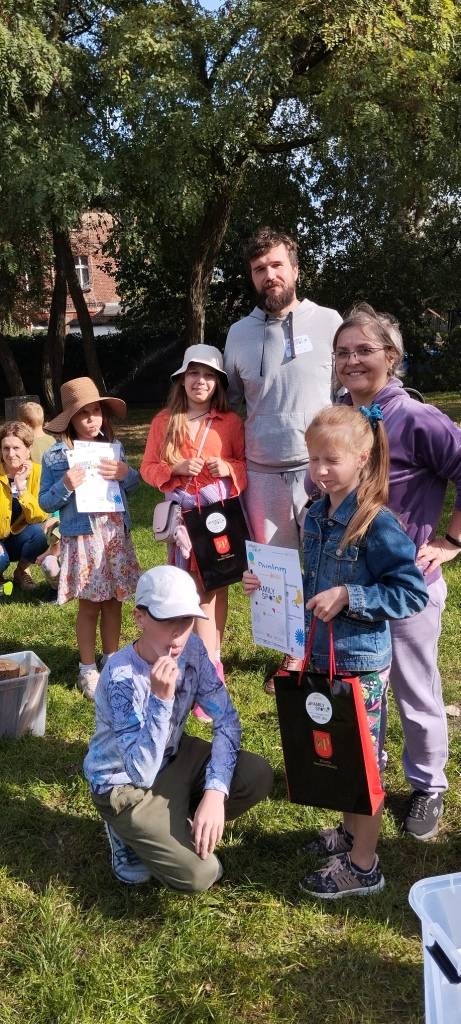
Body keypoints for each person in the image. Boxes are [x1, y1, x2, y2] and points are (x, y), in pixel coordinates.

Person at [244, 405, 428, 898]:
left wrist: (353, 596)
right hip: (322, 659)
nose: (319, 471)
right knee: (339, 755)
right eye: (313, 460)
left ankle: (364, 866)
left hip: (359, 665)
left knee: (363, 764)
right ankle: (348, 837)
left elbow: (411, 593)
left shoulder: (376, 523)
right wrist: (269, 586)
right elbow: (311, 583)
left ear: (363, 458)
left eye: (331, 461)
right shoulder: (317, 514)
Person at [332, 304, 461, 839]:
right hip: (354, 589)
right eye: (343, 352)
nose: (353, 360)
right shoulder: (339, 412)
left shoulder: (415, 417)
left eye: (365, 350)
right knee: (363, 690)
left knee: (413, 686)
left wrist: (452, 540)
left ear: (392, 356)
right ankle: (368, 778)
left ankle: (428, 784)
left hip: (407, 588)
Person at [84, 565, 273, 892]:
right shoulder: (120, 677)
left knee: (256, 774)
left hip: (173, 757)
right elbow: (140, 771)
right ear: (139, 617)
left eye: (185, 621)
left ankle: (179, 817)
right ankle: (124, 831)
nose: (178, 633)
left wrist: (215, 793)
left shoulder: (194, 650)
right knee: (202, 874)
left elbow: (226, 718)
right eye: (166, 620)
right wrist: (160, 699)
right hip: (125, 785)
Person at [140, 344, 246, 711]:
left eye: (208, 375)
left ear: (218, 383)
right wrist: (174, 469)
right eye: (193, 374)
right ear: (182, 380)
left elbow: (244, 465)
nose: (200, 381)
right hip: (186, 523)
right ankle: (206, 673)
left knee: (217, 588)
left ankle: (210, 657)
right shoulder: (163, 421)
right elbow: (148, 468)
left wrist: (228, 466)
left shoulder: (230, 423)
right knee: (197, 591)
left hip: (219, 520)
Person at [224, 227, 342, 549]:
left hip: (320, 471)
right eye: (259, 269)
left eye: (277, 265)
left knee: (328, 572)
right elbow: (230, 402)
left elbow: (343, 392)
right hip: (262, 478)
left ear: (295, 270)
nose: (269, 275)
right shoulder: (237, 334)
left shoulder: (329, 322)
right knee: (274, 584)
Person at [39, 377, 140, 699]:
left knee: (113, 601)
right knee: (90, 605)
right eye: (83, 414)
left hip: (113, 535)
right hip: (83, 538)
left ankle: (111, 660)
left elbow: (133, 488)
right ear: (70, 420)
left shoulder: (114, 449)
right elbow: (45, 503)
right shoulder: (56, 457)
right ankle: (87, 669)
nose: (92, 418)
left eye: (96, 411)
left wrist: (127, 475)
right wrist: (66, 484)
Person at [0, 421, 48, 590]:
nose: (11, 454)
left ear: (28, 450)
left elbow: (39, 516)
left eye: (16, 448)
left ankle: (21, 571)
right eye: (6, 448)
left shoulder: (39, 472)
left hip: (19, 536)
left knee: (40, 535)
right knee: (0, 560)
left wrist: (21, 487)